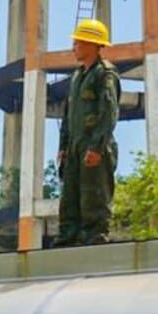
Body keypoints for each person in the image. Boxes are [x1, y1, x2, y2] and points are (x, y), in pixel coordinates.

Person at [56, 18, 121, 246]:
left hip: (94, 145)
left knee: (94, 195)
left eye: (78, 42)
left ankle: (95, 238)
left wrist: (97, 147)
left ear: (92, 44)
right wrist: (63, 148)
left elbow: (108, 112)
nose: (74, 47)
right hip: (74, 145)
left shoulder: (105, 74)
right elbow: (68, 115)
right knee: (70, 196)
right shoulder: (77, 77)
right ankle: (68, 238)